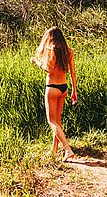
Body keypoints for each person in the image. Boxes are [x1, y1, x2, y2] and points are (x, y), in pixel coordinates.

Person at [31, 26, 77, 161]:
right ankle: (54, 150)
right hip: (64, 87)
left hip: (52, 87)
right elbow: (73, 73)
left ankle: (67, 150)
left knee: (51, 121)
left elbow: (49, 70)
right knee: (57, 121)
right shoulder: (68, 51)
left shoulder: (51, 50)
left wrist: (36, 62)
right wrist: (74, 91)